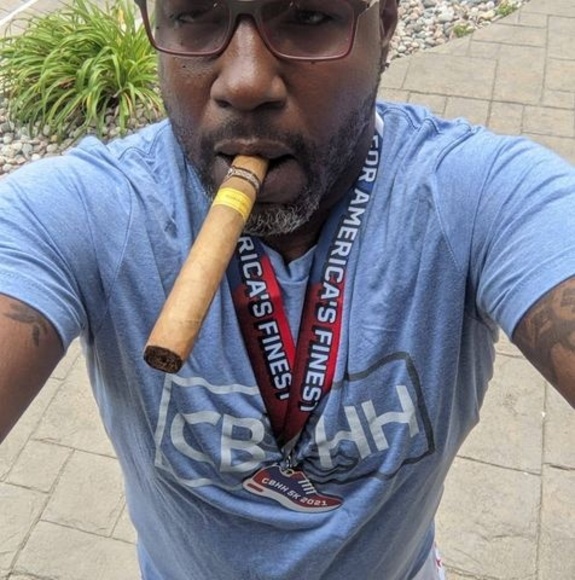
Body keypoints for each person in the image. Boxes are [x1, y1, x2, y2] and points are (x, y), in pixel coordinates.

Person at [0, 0, 574, 578]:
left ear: (384, 25)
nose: (245, 83)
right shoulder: (87, 211)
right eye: (194, 14)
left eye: (307, 16)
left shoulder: (479, 196)